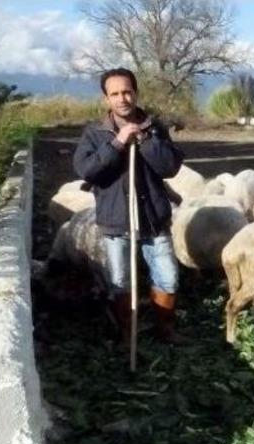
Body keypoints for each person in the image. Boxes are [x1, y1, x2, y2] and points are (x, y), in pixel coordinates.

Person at [73, 67, 186, 345]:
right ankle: (127, 332)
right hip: (115, 220)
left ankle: (165, 329)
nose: (122, 98)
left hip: (152, 218)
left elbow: (170, 166)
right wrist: (117, 144)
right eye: (115, 94)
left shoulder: (154, 127)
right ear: (106, 99)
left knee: (168, 277)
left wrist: (145, 140)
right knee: (121, 282)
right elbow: (86, 170)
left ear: (135, 93)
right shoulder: (94, 134)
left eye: (127, 91)